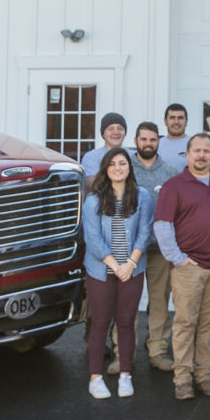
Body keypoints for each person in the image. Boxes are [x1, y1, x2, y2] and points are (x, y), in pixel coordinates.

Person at [153, 133, 210, 400]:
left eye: (207, 151)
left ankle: (205, 374)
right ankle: (183, 378)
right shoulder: (174, 185)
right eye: (197, 151)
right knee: (185, 322)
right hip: (188, 267)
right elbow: (162, 226)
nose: (202, 155)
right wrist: (177, 258)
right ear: (188, 155)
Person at [81, 146, 153, 400]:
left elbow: (145, 232)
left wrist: (130, 264)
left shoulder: (142, 196)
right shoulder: (93, 199)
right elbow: (92, 238)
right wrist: (115, 265)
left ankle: (125, 375)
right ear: (105, 169)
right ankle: (95, 378)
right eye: (113, 164)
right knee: (100, 323)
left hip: (131, 270)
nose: (118, 168)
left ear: (129, 167)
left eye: (122, 163)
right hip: (102, 270)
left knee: (126, 323)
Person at [130, 122, 179, 376]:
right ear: (136, 140)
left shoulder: (170, 172)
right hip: (130, 251)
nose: (148, 143)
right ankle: (123, 354)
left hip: (160, 250)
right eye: (144, 139)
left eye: (152, 139)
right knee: (128, 304)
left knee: (159, 302)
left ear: (158, 141)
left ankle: (158, 351)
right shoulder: (125, 168)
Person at [158, 103, 192, 168]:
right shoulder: (156, 145)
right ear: (165, 121)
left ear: (186, 121)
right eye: (172, 118)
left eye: (180, 118)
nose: (176, 122)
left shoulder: (195, 144)